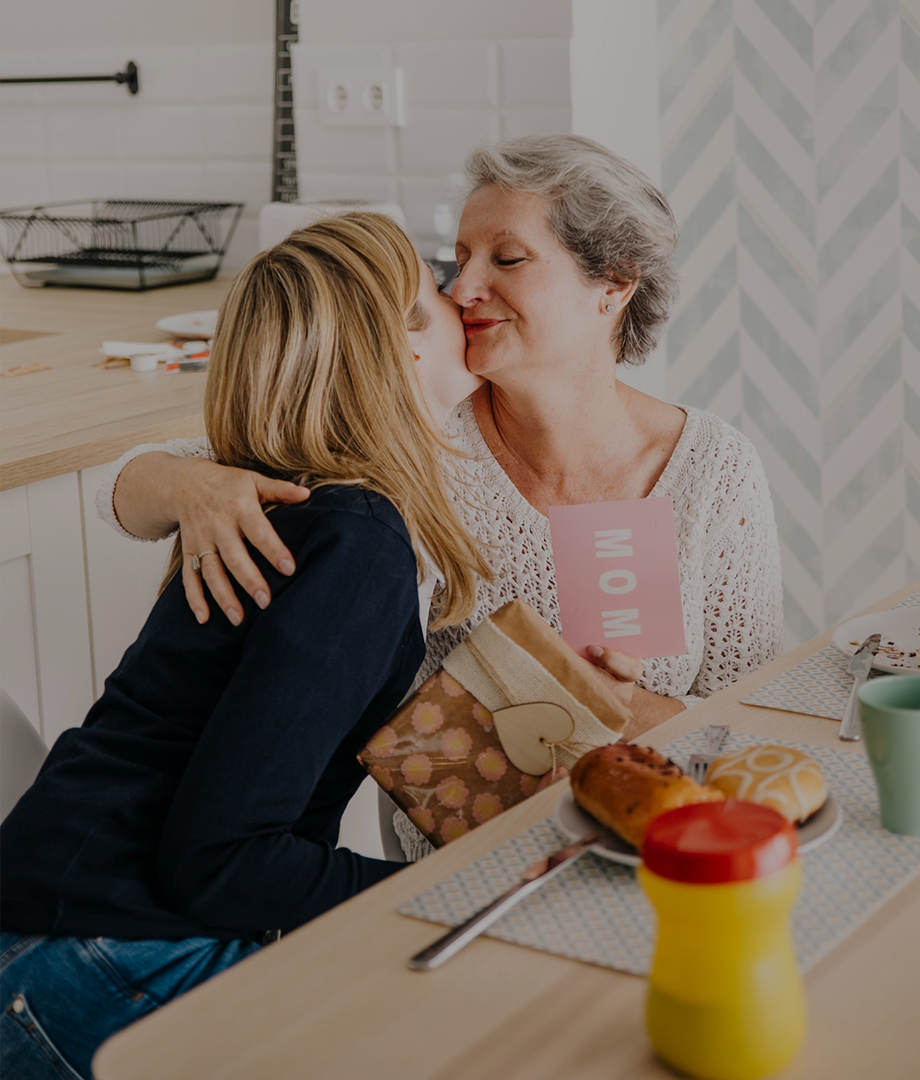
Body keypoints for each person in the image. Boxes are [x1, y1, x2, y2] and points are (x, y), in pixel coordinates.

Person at [0, 211, 492, 1080]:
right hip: (102, 956)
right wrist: (447, 893)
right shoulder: (355, 538)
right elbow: (222, 865)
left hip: (68, 927)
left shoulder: (318, 515)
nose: (464, 298)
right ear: (403, 348)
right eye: (438, 287)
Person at [98, 135, 783, 739]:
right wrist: (195, 487)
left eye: (507, 259)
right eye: (460, 258)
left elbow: (749, 716)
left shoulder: (711, 470)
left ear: (614, 283)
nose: (466, 287)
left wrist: (622, 711)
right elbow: (121, 489)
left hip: (658, 835)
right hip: (460, 854)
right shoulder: (417, 432)